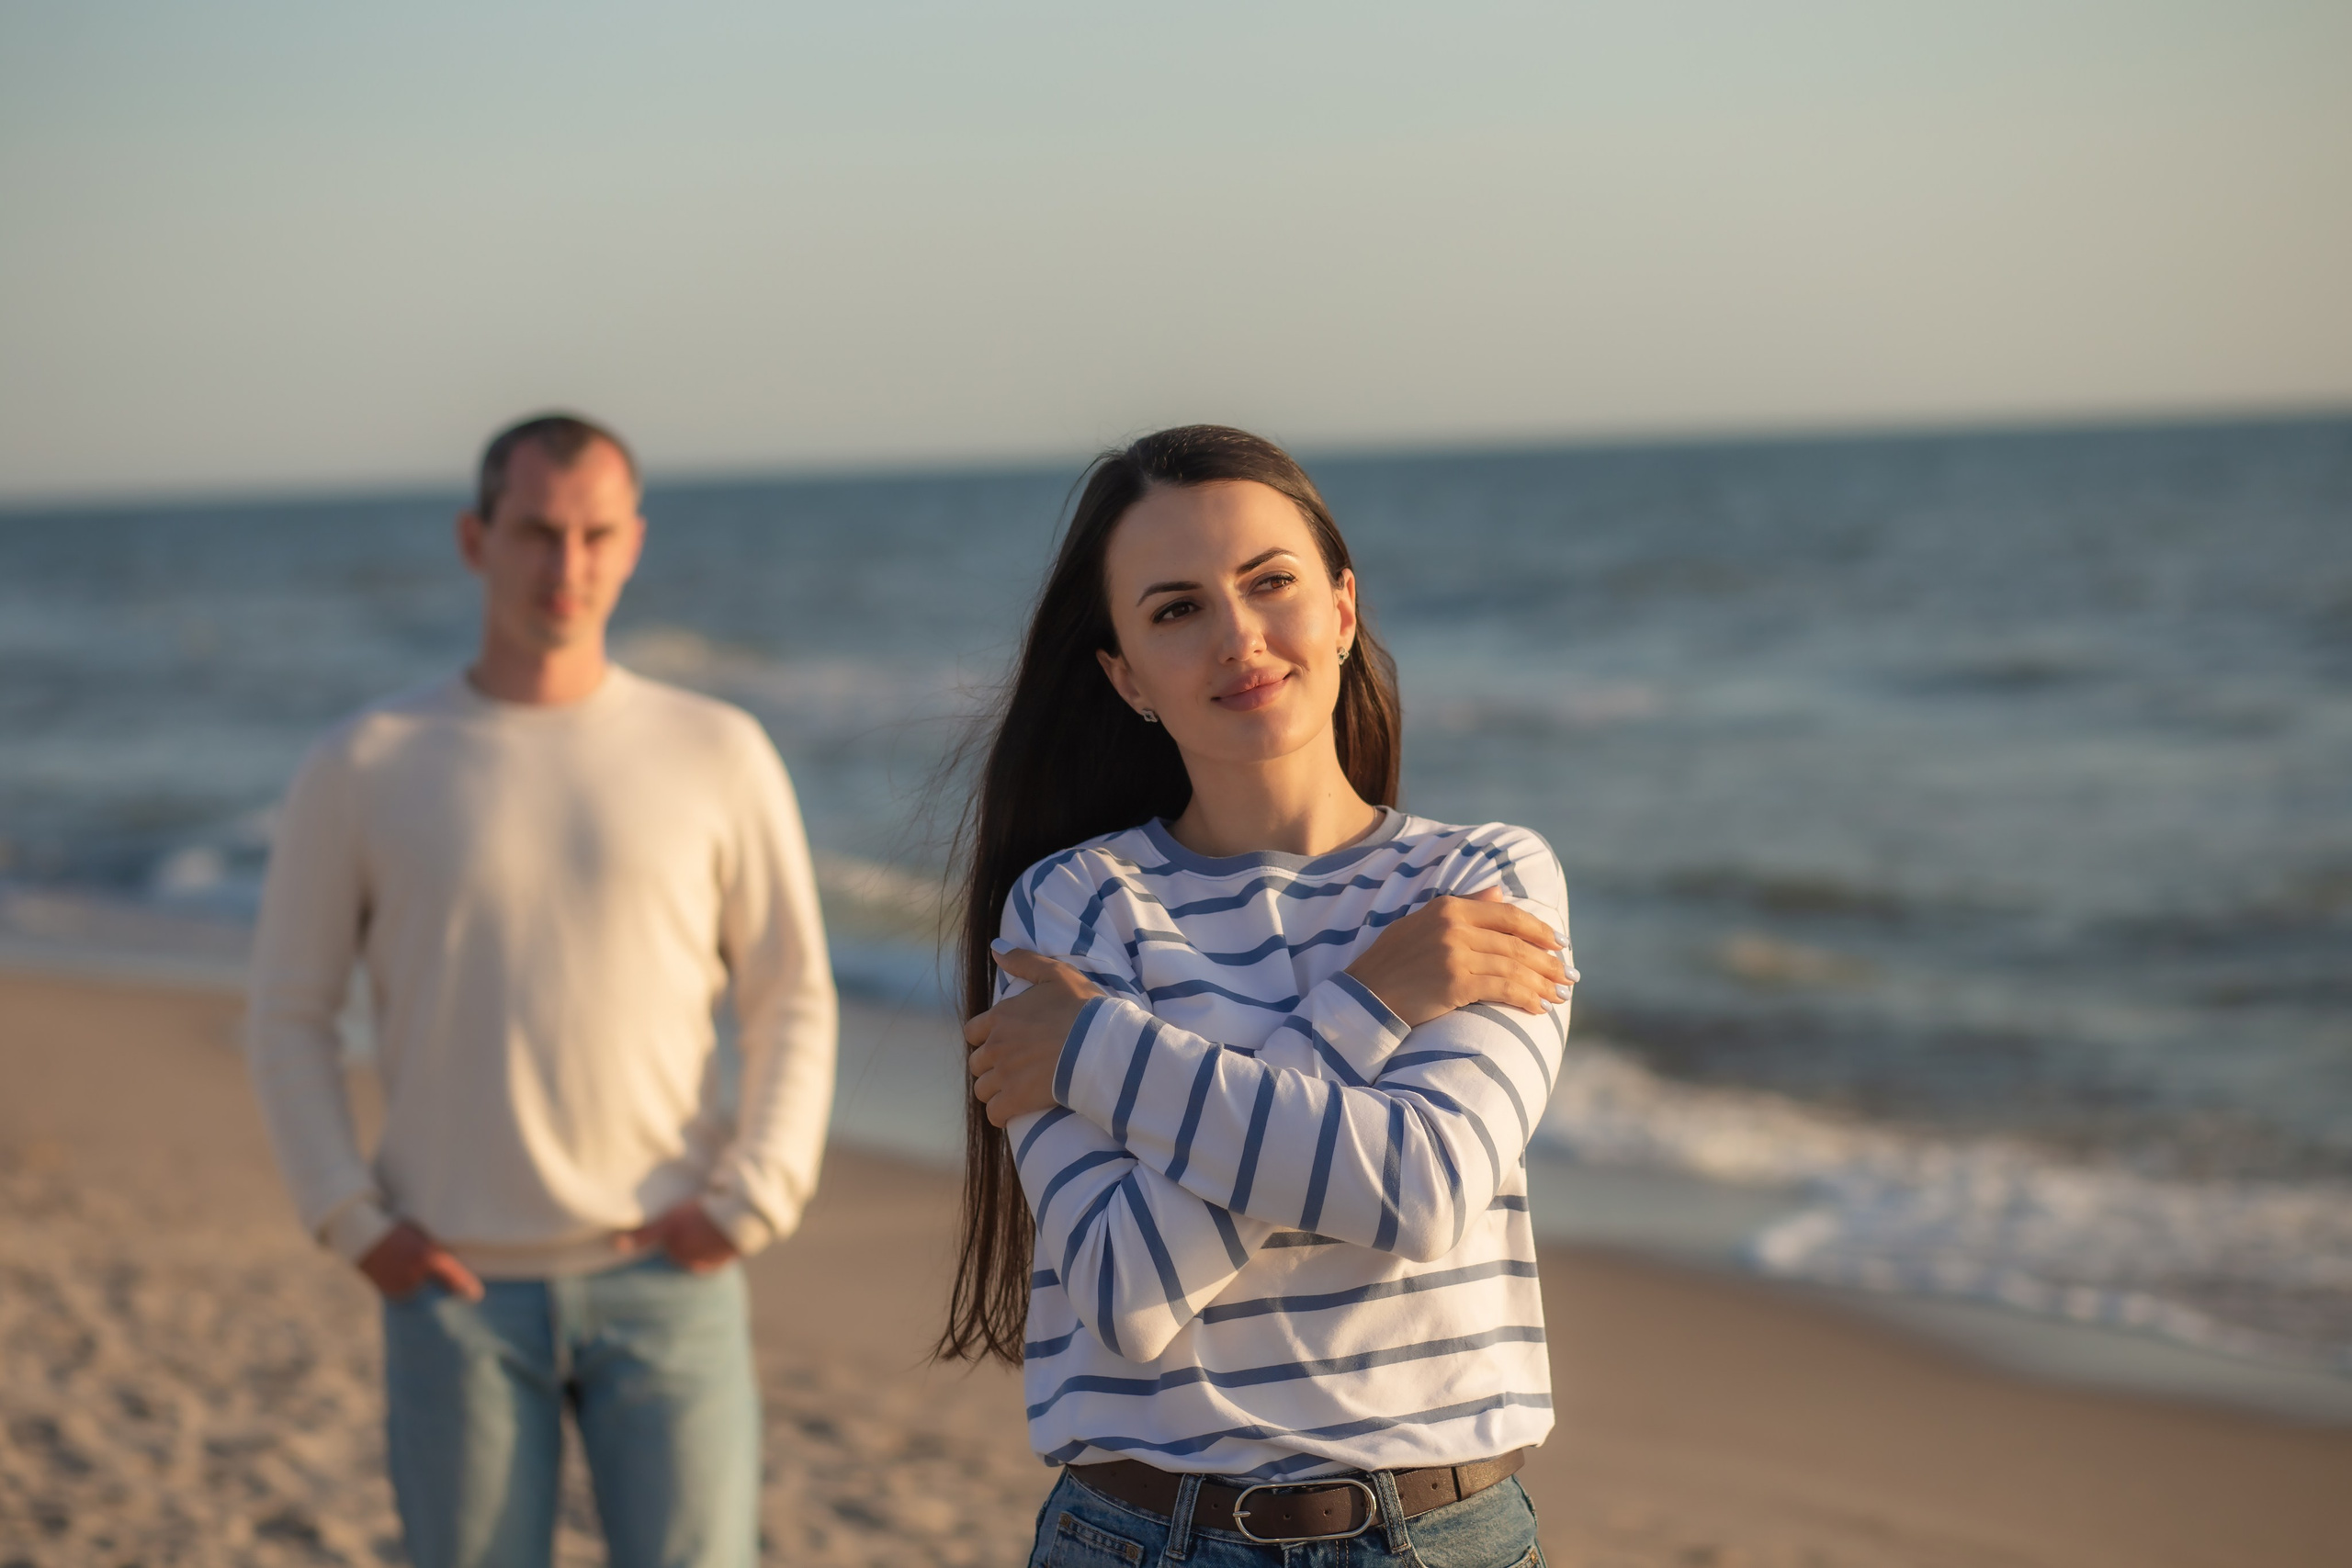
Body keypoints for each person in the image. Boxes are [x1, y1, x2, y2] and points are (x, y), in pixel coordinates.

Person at [949, 425, 1577, 1568]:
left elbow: (1423, 1185)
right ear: (1125, 674)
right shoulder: (1073, 911)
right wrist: (1371, 1006)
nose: (1238, 637)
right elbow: (1130, 1288)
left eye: (1268, 583)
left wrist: (1101, 1052)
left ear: (1341, 608)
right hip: (1142, 1537)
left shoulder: (1477, 881)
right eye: (1176, 609)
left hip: (1440, 1541)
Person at [245, 412, 837, 1568]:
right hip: (452, 1292)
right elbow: (287, 1012)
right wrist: (351, 1221)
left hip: (668, 1274)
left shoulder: (718, 749)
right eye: (535, 532)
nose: (565, 566)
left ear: (633, 545)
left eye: (594, 535)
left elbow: (792, 995)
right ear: (476, 539)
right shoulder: (364, 762)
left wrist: (751, 1199)